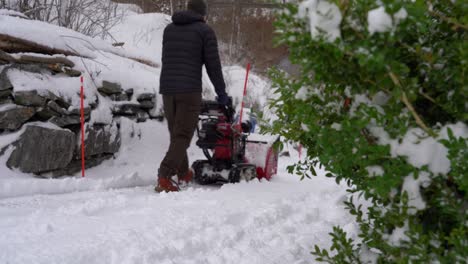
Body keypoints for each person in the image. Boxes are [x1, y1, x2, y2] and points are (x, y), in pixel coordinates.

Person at [155, 0, 229, 193]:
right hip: (189, 90)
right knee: (183, 135)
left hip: (168, 89)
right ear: (203, 14)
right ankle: (164, 175)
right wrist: (222, 93)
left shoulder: (169, 29)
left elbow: (167, 59)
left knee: (176, 134)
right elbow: (213, 66)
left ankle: (183, 172)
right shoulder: (204, 31)